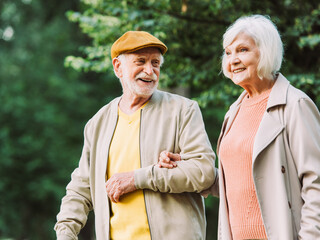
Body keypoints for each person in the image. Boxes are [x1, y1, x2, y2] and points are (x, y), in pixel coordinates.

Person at [158, 15, 320, 239]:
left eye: (243, 50)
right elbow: (236, 181)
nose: (232, 59)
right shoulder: (235, 111)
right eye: (228, 52)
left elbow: (316, 183)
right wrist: (187, 167)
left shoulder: (295, 105)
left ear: (266, 52)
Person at [54, 31, 216, 240]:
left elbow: (203, 173)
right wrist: (65, 233)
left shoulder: (183, 110)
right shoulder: (97, 124)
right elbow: (80, 189)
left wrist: (137, 178)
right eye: (141, 61)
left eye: (155, 63)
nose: (149, 71)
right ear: (118, 67)